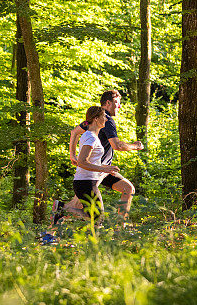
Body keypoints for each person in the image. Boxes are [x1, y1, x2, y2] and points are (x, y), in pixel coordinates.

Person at [51, 90, 143, 225]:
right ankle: (50, 231)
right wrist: (135, 146)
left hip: (105, 170)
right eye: (117, 103)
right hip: (97, 170)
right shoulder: (106, 120)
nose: (119, 107)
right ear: (108, 103)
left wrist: (72, 155)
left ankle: (120, 228)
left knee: (128, 189)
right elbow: (117, 145)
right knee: (77, 206)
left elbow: (74, 132)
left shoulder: (93, 119)